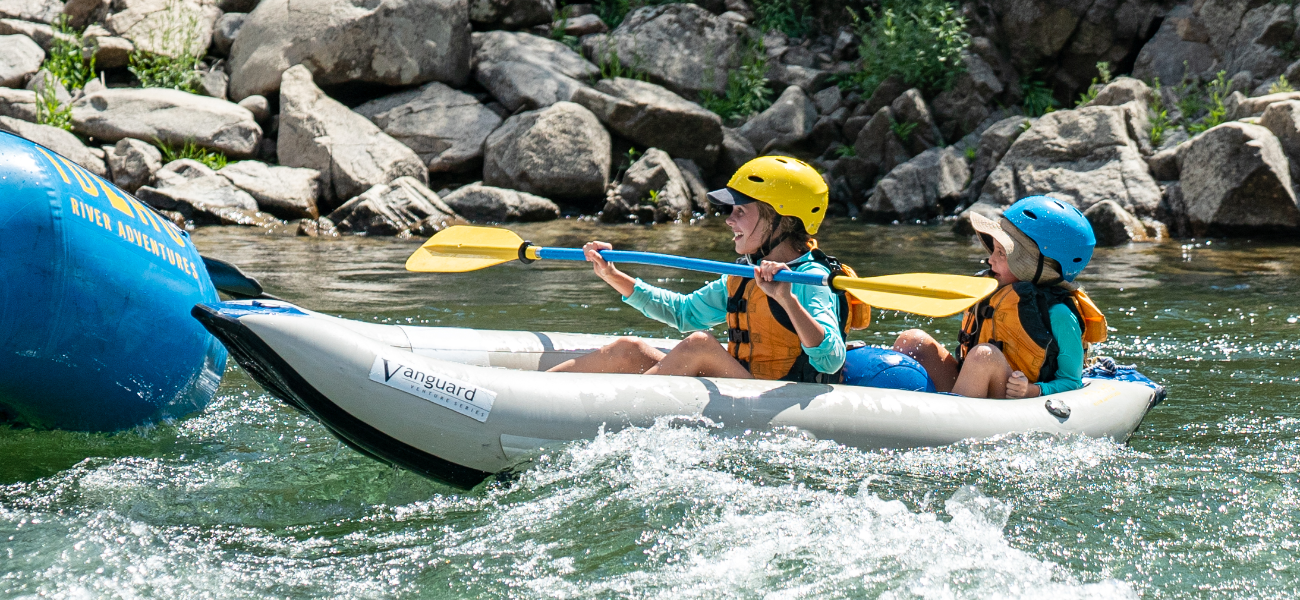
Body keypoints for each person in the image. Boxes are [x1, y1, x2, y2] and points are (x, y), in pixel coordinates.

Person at [548, 156, 868, 381]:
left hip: (779, 395)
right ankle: (520, 396)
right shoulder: (744, 273)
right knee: (627, 349)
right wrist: (612, 275)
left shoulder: (811, 278)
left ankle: (615, 410)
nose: (729, 220)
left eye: (741, 211)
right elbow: (684, 313)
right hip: (743, 382)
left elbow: (831, 360)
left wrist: (787, 299)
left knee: (700, 345)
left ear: (782, 221)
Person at [892, 196, 1107, 399]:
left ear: (1034, 264)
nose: (990, 260)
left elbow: (1071, 381)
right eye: (993, 250)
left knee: (984, 356)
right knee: (913, 340)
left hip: (1013, 397)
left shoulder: (1059, 314)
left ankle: (944, 424)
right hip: (973, 384)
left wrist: (1032, 390)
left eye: (1002, 254)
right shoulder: (988, 290)